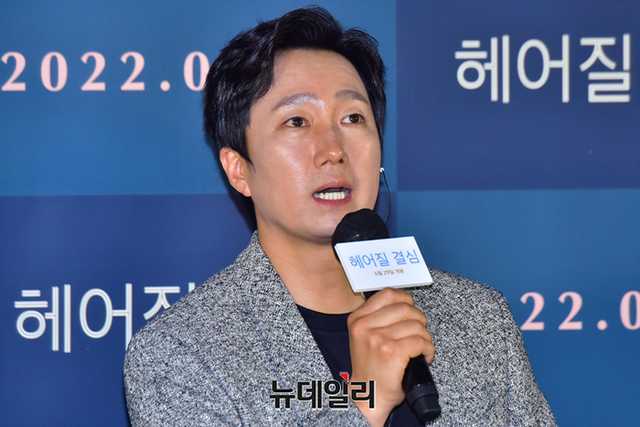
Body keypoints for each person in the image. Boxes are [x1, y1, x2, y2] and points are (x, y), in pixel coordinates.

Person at [124, 7, 556, 426]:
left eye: (352, 117)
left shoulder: (480, 319)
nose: (333, 149)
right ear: (239, 170)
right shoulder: (182, 353)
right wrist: (366, 401)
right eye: (297, 121)